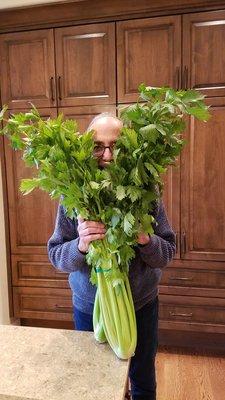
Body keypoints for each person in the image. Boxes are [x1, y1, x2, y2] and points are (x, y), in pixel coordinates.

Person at [47, 113, 176, 400]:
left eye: (116, 146)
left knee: (143, 381)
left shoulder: (147, 191)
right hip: (88, 306)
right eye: (97, 146)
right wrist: (81, 245)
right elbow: (56, 255)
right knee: (95, 386)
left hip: (141, 305)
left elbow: (166, 253)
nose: (107, 155)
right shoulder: (74, 195)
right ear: (85, 148)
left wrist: (145, 238)